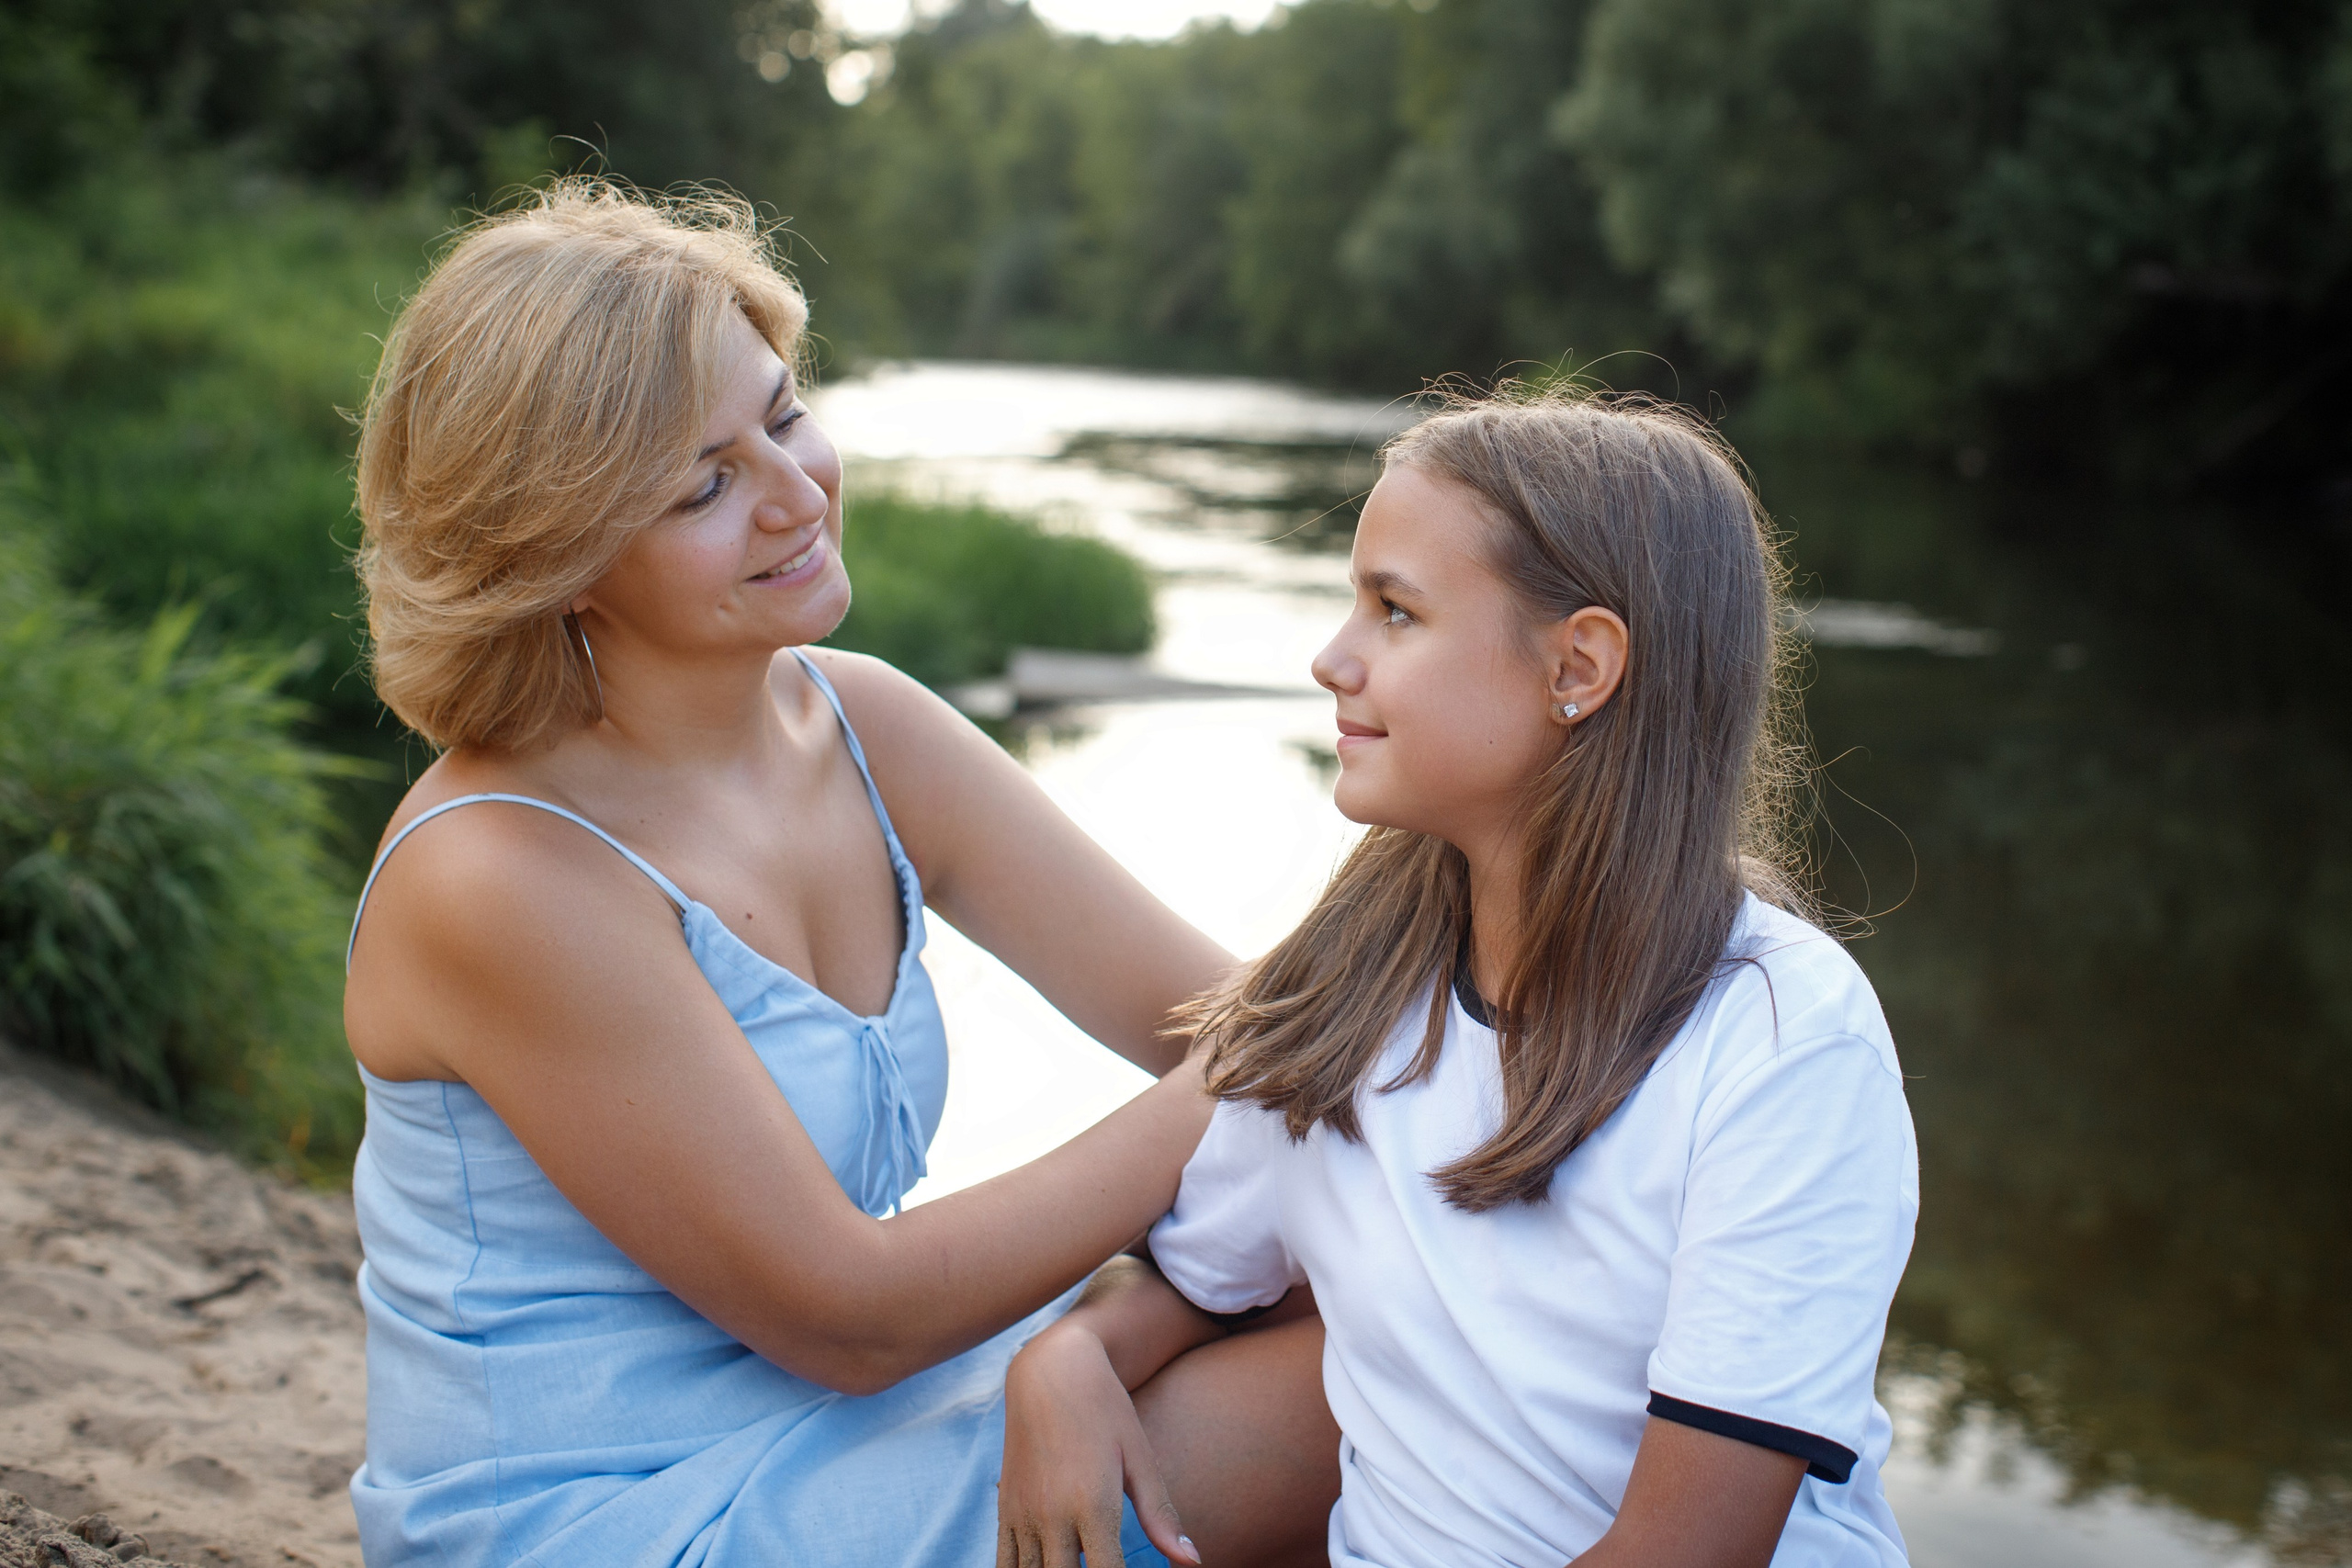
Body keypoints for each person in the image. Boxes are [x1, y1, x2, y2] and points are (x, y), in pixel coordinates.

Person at [339, 180, 1334, 1568]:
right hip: (610, 1512)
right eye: (705, 482)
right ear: (555, 556)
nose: (798, 494)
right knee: (1366, 1390)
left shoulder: (861, 721)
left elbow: (1217, 1014)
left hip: (859, 1414)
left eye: (786, 414)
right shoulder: (501, 872)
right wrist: (1259, 1076)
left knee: (1397, 1284)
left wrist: (1108, 1329)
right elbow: (851, 1312)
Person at [997, 389, 1919, 1568]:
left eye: (1394, 611)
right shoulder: (1360, 989)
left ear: (1577, 666)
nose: (1332, 658)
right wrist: (1067, 1360)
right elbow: (1202, 1272)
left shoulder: (1785, 1036)